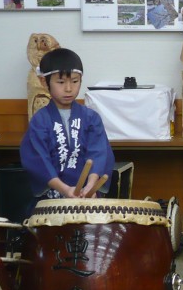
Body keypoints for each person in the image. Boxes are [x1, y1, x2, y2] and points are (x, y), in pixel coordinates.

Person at [20, 47, 114, 201]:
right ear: (44, 81)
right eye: (61, 82)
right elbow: (38, 160)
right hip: (52, 196)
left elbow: (98, 153)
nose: (69, 88)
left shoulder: (91, 118)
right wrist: (64, 189)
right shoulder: (40, 121)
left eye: (75, 81)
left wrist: (91, 186)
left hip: (87, 196)